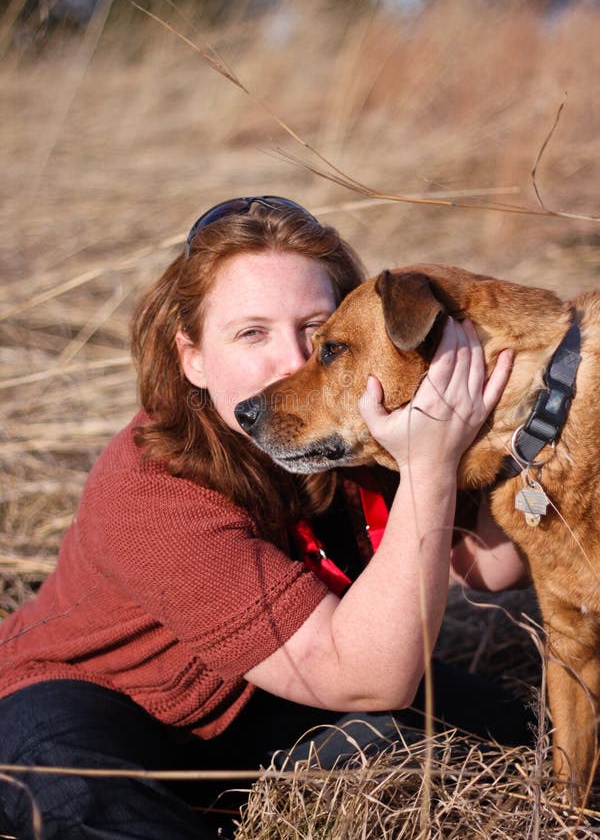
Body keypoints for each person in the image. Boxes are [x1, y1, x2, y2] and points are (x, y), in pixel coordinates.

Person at [0, 196, 531, 840]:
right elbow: (366, 680)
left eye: (318, 329)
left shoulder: (351, 424)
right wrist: (428, 469)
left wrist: (508, 422)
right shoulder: (150, 490)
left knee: (510, 726)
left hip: (260, 698)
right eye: (252, 333)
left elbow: (494, 566)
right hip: (92, 703)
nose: (291, 361)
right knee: (79, 801)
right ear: (192, 357)